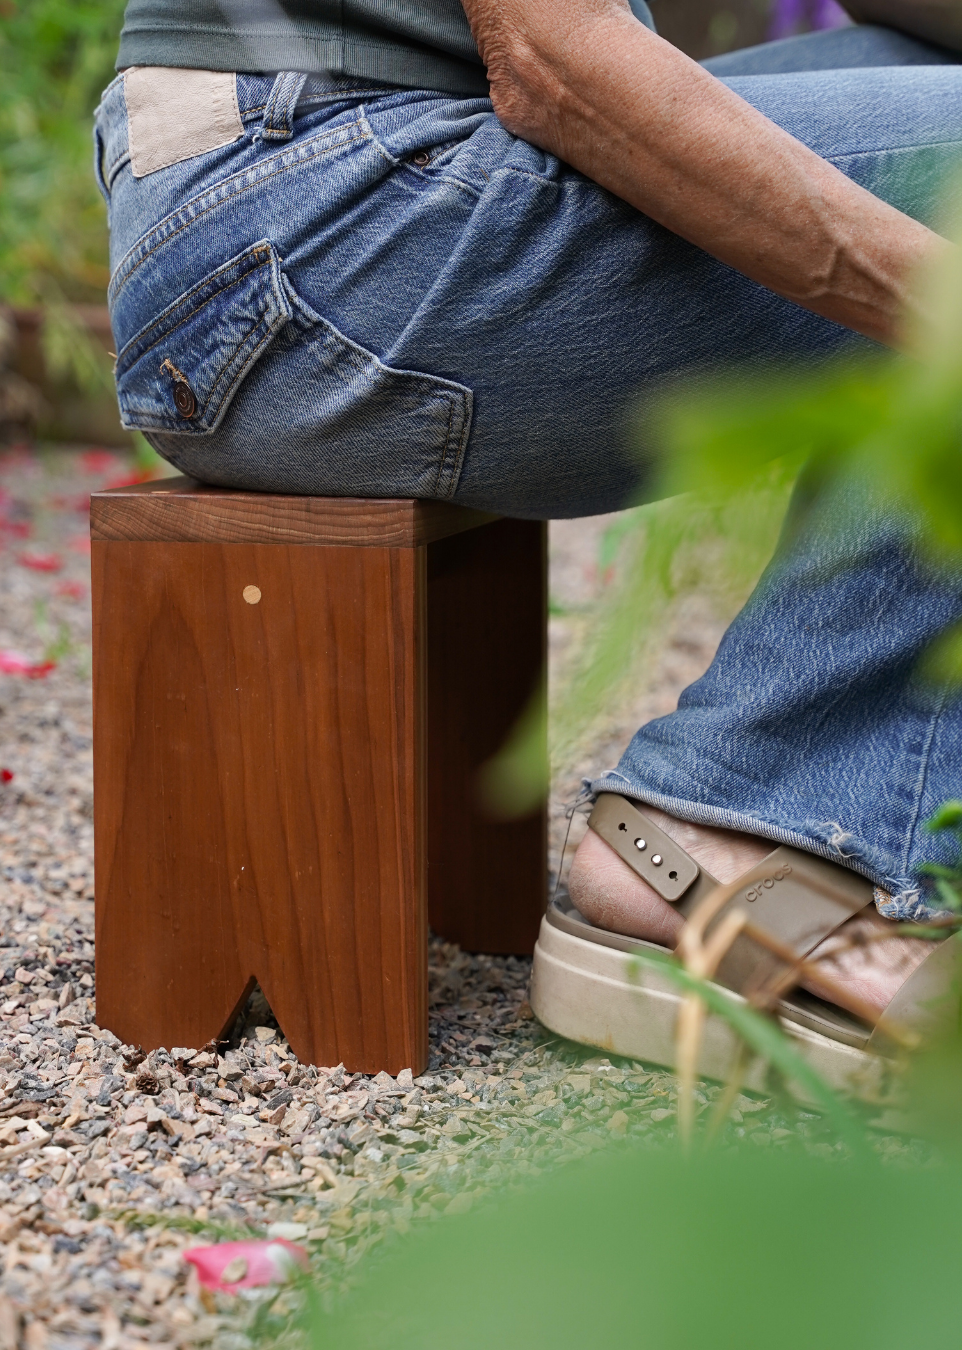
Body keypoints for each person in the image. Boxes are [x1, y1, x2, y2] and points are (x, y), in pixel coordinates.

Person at [94, 0, 962, 1019]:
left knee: (918, 67)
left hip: (332, 195)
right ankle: (754, 816)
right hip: (311, 230)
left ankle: (815, 790)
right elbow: (552, 61)